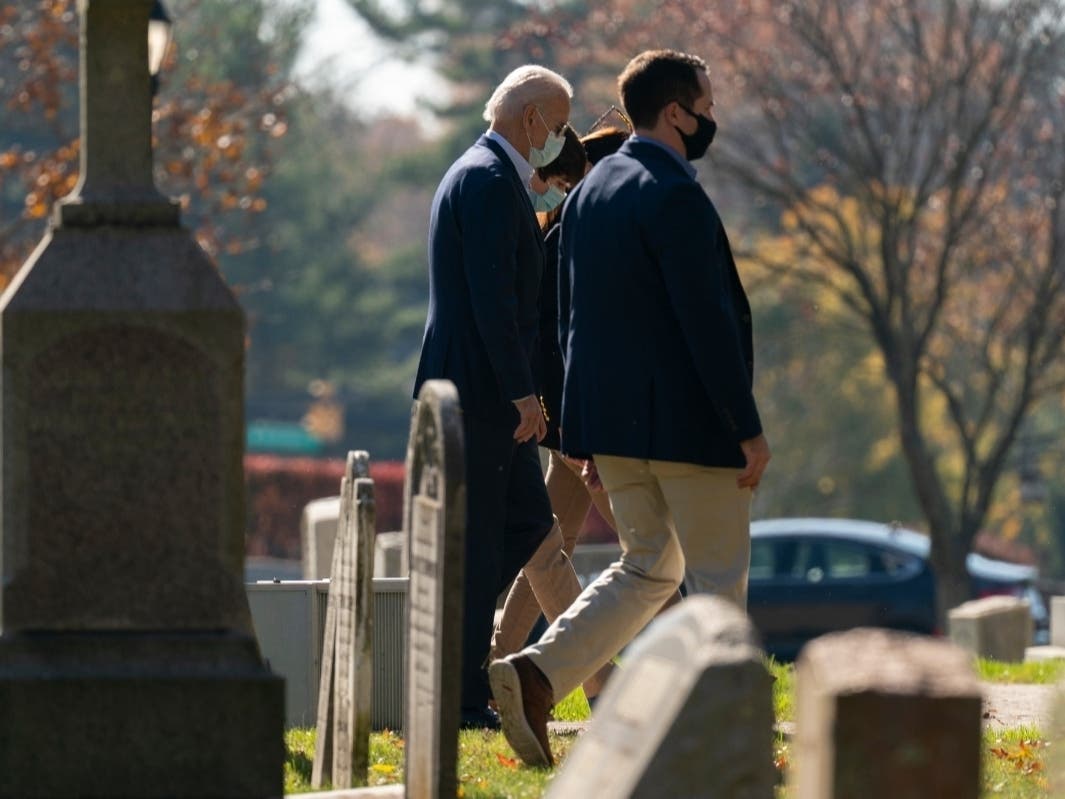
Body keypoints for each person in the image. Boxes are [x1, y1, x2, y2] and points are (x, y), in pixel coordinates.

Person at [489, 49, 771, 766]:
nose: (711, 118)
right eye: (706, 107)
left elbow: (569, 323)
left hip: (613, 431)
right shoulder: (673, 193)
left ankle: (536, 674)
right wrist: (745, 427)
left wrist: (579, 432)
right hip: (688, 426)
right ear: (675, 112)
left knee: (647, 568)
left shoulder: (588, 196)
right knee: (716, 578)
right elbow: (706, 322)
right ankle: (720, 741)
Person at [412, 64, 573, 729]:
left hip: (482, 391)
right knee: (479, 544)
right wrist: (521, 394)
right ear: (529, 116)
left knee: (525, 524)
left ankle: (459, 637)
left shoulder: (491, 175)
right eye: (557, 124)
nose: (558, 138)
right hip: (478, 394)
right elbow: (492, 302)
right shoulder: (485, 179)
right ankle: (460, 696)